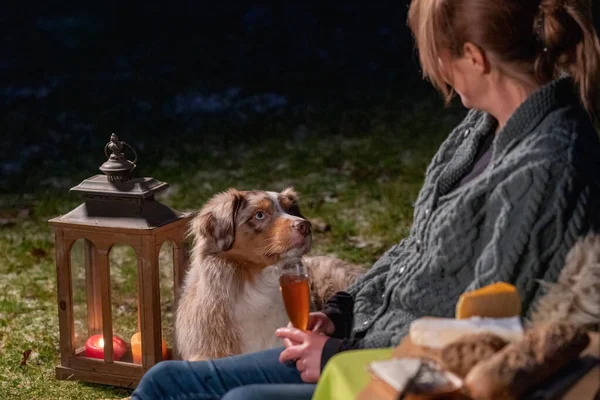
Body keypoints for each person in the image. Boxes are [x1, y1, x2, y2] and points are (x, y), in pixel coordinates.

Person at [132, 0, 600, 398]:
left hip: (404, 365)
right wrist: (338, 313)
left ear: (475, 57)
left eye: (436, 58)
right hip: (362, 338)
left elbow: (482, 322)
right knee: (164, 380)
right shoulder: (480, 130)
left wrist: (338, 353)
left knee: (236, 397)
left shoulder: (548, 163)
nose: (433, 72)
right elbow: (416, 250)